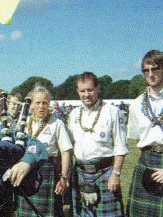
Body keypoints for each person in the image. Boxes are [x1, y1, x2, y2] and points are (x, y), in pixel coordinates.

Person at [67, 72, 129, 216]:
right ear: (77, 91)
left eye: (90, 90)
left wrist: (116, 174)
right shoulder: (74, 114)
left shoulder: (113, 112)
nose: (86, 94)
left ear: (98, 88)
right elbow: (68, 146)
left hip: (105, 172)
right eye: (82, 91)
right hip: (80, 172)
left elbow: (120, 146)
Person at [18, 86, 73, 217]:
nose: (41, 106)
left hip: (47, 170)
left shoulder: (57, 123)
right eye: (37, 103)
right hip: (26, 170)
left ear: (49, 104)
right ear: (31, 104)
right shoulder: (23, 122)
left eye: (45, 103)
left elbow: (66, 152)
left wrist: (64, 177)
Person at [126, 50, 163, 216]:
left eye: (154, 69)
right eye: (145, 70)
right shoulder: (136, 104)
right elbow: (136, 139)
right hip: (146, 162)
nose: (150, 74)